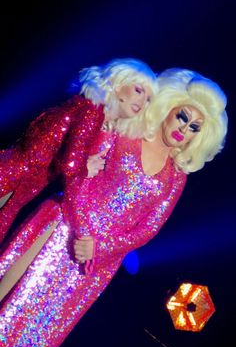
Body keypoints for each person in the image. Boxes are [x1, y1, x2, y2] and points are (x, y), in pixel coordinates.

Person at [0, 67, 228, 347]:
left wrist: (100, 247)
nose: (184, 129)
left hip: (93, 265)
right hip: (62, 226)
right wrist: (82, 230)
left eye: (194, 127)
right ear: (169, 107)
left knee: (40, 328)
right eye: (183, 116)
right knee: (12, 292)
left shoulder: (176, 176)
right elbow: (79, 173)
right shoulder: (127, 131)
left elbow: (148, 228)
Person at [0, 57, 157, 245]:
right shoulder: (91, 111)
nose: (142, 101)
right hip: (10, 178)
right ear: (117, 84)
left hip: (17, 188)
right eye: (138, 90)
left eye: (148, 99)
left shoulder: (91, 112)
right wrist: (82, 231)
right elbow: (70, 168)